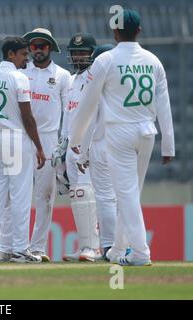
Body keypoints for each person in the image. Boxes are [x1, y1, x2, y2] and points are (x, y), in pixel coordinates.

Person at [70, 9, 175, 266]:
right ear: (138, 30)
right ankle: (118, 248)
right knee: (131, 194)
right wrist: (168, 146)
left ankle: (140, 253)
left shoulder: (106, 60)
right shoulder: (154, 61)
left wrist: (75, 139)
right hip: (147, 132)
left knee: (126, 195)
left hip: (119, 132)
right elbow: (164, 104)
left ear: (115, 32)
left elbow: (88, 104)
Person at [0, 28, 70, 262]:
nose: (37, 50)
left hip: (48, 138)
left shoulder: (62, 76)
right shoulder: (20, 72)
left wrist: (64, 142)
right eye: (34, 47)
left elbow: (69, 112)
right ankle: (5, 247)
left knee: (45, 197)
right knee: (13, 195)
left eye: (43, 46)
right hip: (21, 136)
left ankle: (37, 247)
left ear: (50, 48)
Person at [0, 37, 45, 263]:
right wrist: (39, 146)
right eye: (22, 54)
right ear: (10, 54)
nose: (26, 57)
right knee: (20, 196)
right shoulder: (19, 78)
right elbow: (27, 117)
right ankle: (20, 250)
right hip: (17, 139)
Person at [53, 32, 101, 262]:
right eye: (74, 53)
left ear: (92, 54)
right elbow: (69, 115)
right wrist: (61, 147)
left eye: (82, 53)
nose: (78, 57)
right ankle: (85, 245)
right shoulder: (72, 81)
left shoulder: (95, 80)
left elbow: (94, 118)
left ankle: (94, 248)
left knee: (86, 193)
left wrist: (87, 148)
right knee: (76, 195)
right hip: (70, 148)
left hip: (87, 149)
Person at [75, 44, 118, 260]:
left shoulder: (99, 85)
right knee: (125, 197)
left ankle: (110, 246)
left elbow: (90, 122)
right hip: (126, 143)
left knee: (105, 198)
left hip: (102, 145)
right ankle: (128, 246)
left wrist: (82, 153)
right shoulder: (123, 84)